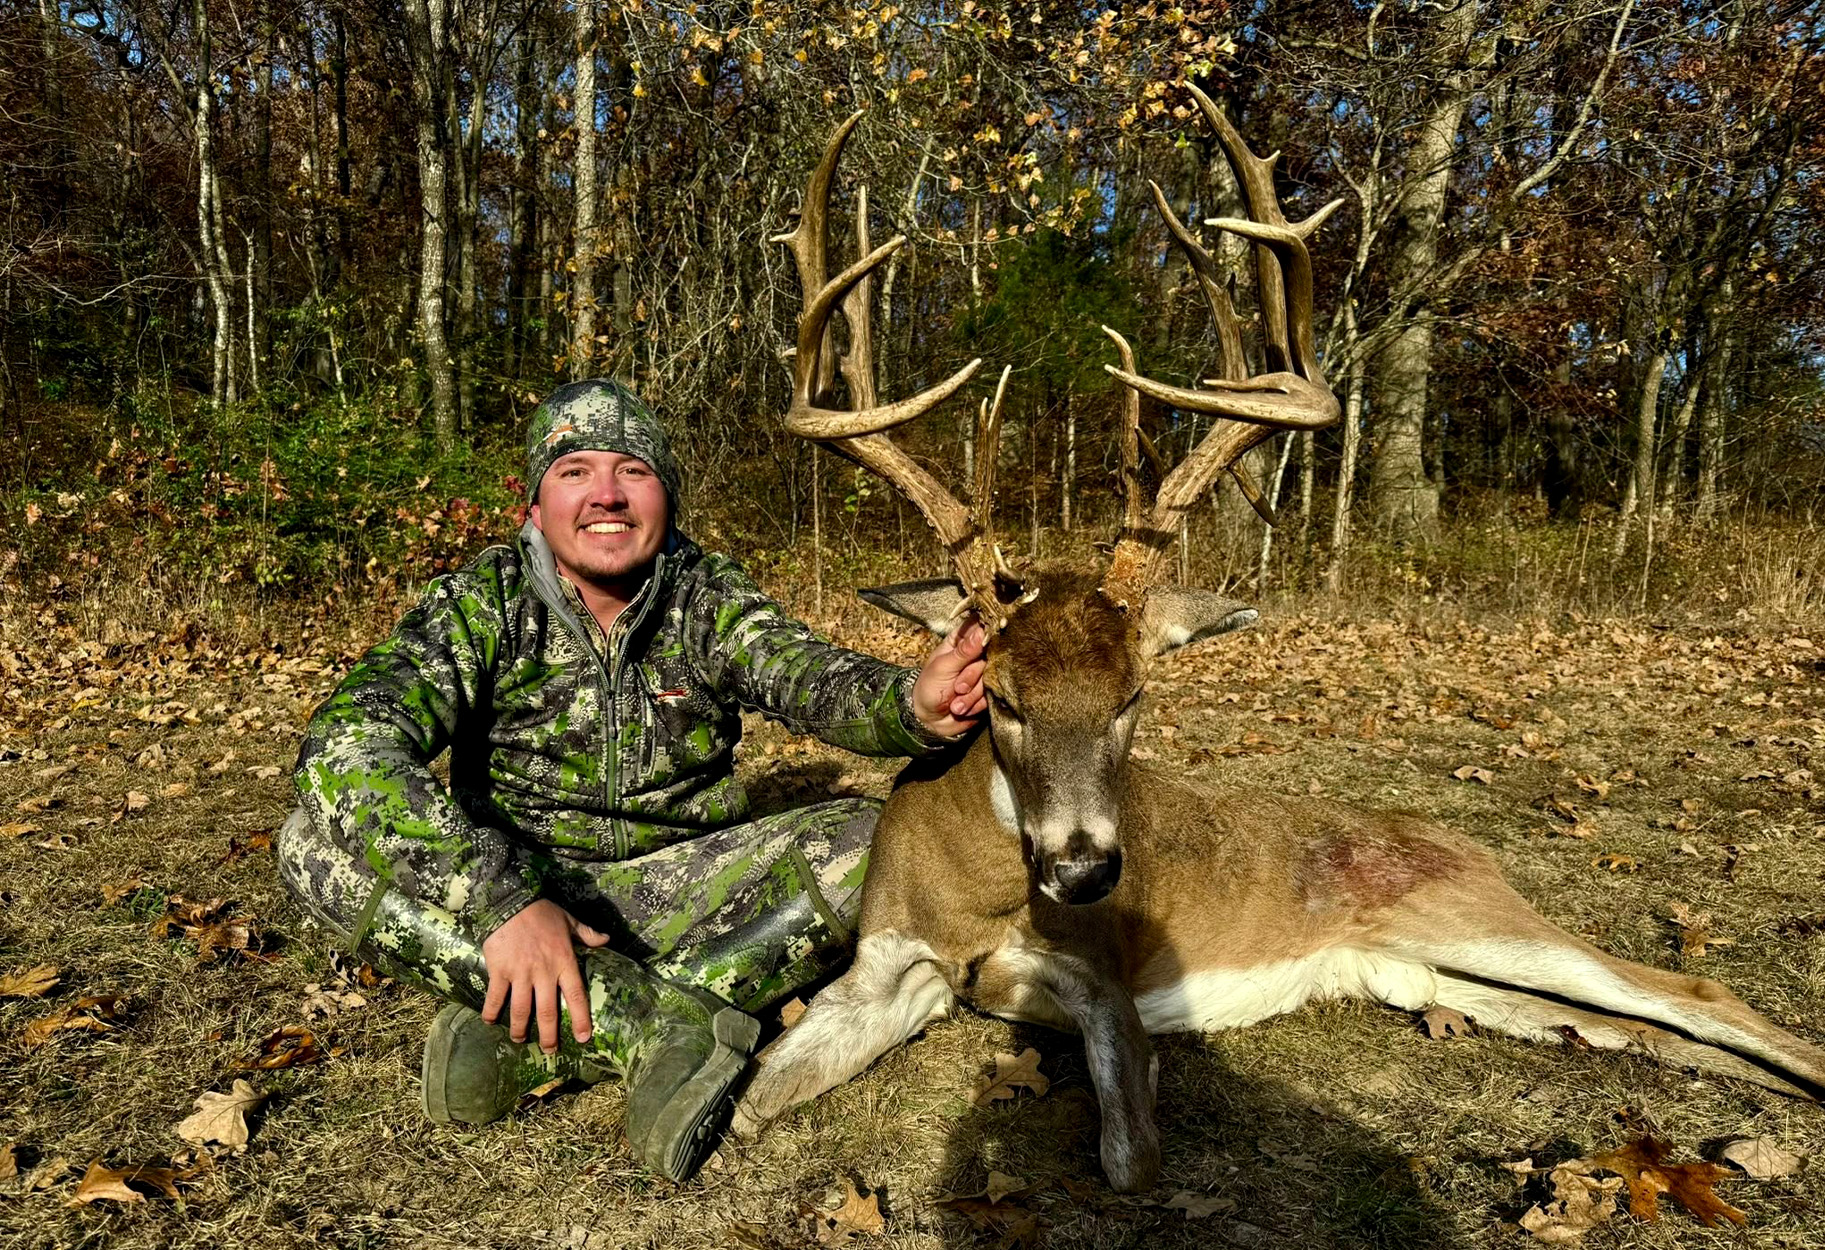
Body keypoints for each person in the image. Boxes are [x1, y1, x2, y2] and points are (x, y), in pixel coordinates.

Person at [277, 378, 986, 1182]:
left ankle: (563, 1030)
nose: (606, 495)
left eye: (633, 472)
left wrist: (911, 702)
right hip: (522, 886)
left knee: (876, 839)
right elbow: (347, 746)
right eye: (574, 471)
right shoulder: (480, 602)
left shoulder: (706, 595)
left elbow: (810, 677)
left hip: (683, 891)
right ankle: (650, 1026)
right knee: (310, 843)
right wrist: (500, 899)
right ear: (535, 503)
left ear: (666, 498)